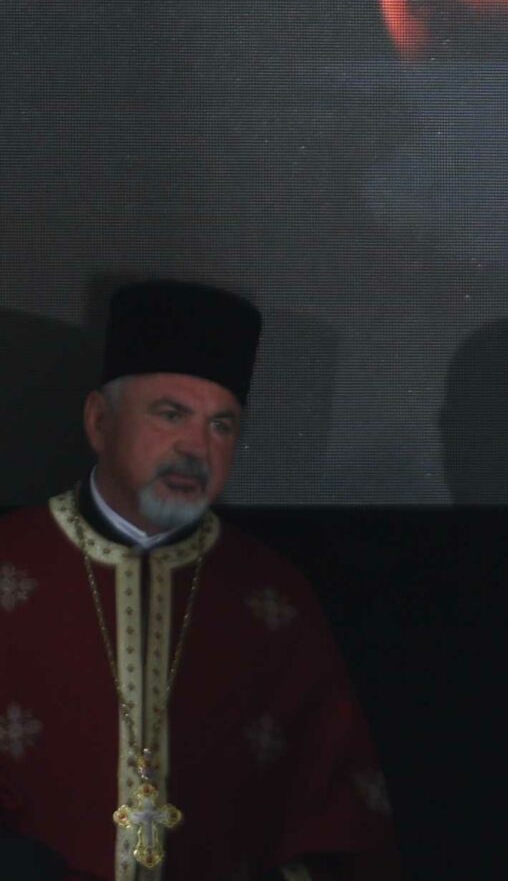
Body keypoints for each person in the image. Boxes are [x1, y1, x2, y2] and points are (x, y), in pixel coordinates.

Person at [0, 281, 397, 881]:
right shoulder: (11, 563)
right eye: (172, 415)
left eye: (221, 425)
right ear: (100, 421)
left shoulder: (274, 598)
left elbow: (342, 818)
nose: (196, 448)